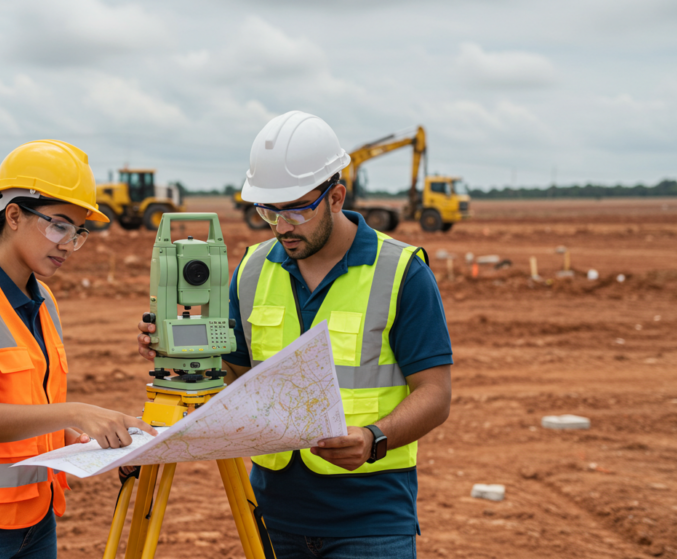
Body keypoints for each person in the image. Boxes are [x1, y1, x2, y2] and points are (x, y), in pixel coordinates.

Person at [137, 111, 451, 558]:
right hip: (272, 515)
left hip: (371, 520)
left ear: (336, 196)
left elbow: (435, 394)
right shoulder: (249, 270)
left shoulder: (401, 272)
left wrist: (374, 438)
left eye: (297, 209)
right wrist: (180, 352)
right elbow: (234, 378)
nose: (282, 226)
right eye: (268, 211)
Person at [0, 140, 157, 559]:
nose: (67, 243)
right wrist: (77, 412)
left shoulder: (42, 300)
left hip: (35, 522)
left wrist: (93, 441)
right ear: (13, 215)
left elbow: (29, 403)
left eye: (77, 233)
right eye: (59, 225)